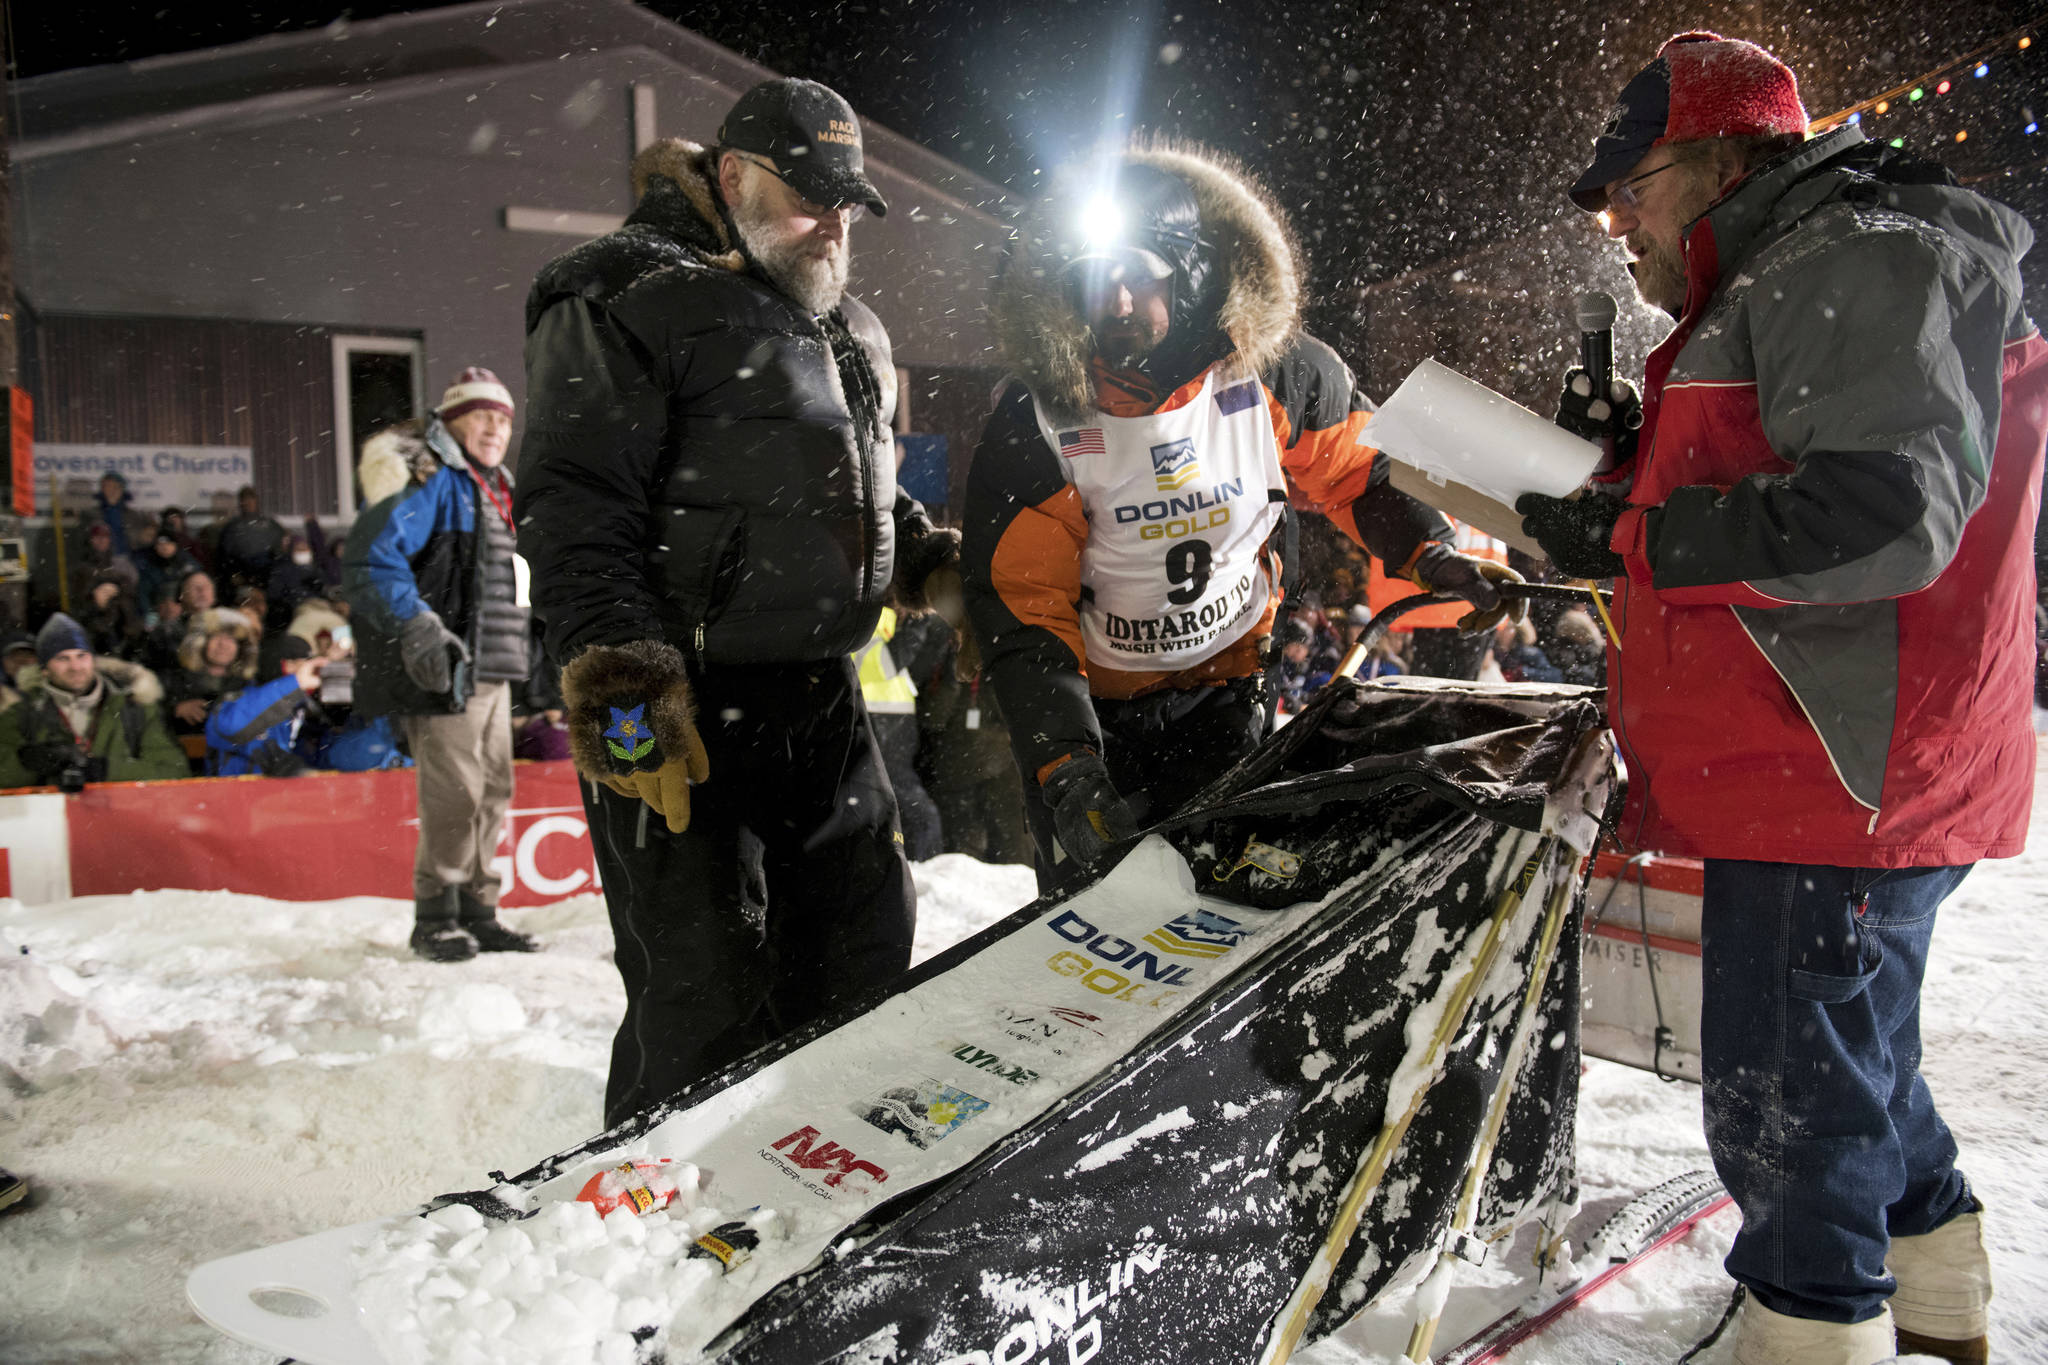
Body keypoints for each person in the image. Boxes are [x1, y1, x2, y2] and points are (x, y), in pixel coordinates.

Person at [1515, 33, 2048, 1365]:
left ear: (1728, 156)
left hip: (1845, 772)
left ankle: (1815, 1330)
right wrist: (1619, 477)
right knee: (1843, 1055)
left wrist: (1638, 535)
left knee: (1785, 1087)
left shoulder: (1850, 254)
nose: (1615, 221)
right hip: (1824, 763)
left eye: (1630, 186)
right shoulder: (1801, 263)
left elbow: (1883, 513)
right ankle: (1932, 1293)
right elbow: (1787, 466)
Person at [517, 78, 958, 1127]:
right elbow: (577, 506)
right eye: (809, 197)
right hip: (680, 702)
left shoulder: (844, 321)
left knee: (858, 958)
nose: (833, 223)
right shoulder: (618, 291)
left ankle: (821, 1190)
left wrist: (925, 559)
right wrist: (624, 702)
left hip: (820, 698)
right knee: (700, 989)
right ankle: (658, 1212)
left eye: (846, 203)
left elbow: (844, 478)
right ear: (730, 175)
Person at [960, 147, 1522, 888]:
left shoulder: (1276, 374)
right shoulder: (1038, 419)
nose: (1115, 302)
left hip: (1224, 710)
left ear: (1189, 270)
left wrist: (1434, 552)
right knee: (1101, 933)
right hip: (1100, 726)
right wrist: (1065, 765)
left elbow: (1360, 471)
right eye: (1094, 277)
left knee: (1223, 920)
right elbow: (1025, 609)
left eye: (1136, 274)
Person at [344, 368, 536, 962]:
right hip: (450, 668)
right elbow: (373, 559)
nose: (495, 428)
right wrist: (420, 625)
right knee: (456, 792)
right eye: (481, 415)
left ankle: (479, 911)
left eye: (504, 418)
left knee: (493, 791)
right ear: (452, 420)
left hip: (497, 667)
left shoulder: (499, 486)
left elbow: (518, 585)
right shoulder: (435, 480)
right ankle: (436, 917)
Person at [0, 614, 188, 790]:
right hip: (49, 819)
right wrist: (27, 762)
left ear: (93, 660)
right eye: (62, 658)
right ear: (44, 669)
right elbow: (4, 776)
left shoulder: (135, 707)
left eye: (82, 656)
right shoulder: (21, 712)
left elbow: (173, 771)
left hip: (124, 816)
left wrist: (104, 769)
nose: (75, 667)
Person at [203, 635, 326, 776]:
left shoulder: (303, 707)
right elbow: (232, 728)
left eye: (305, 664)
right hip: (234, 791)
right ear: (272, 664)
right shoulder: (240, 698)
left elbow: (320, 754)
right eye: (292, 664)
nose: (299, 671)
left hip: (282, 793)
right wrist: (294, 683)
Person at [214, 484, 288, 589]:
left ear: (257, 501)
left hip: (268, 575)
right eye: (244, 499)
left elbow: (281, 553)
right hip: (241, 575)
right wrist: (233, 574)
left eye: (251, 499)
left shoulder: (271, 525)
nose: (248, 503)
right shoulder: (231, 527)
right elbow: (223, 556)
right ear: (240, 503)